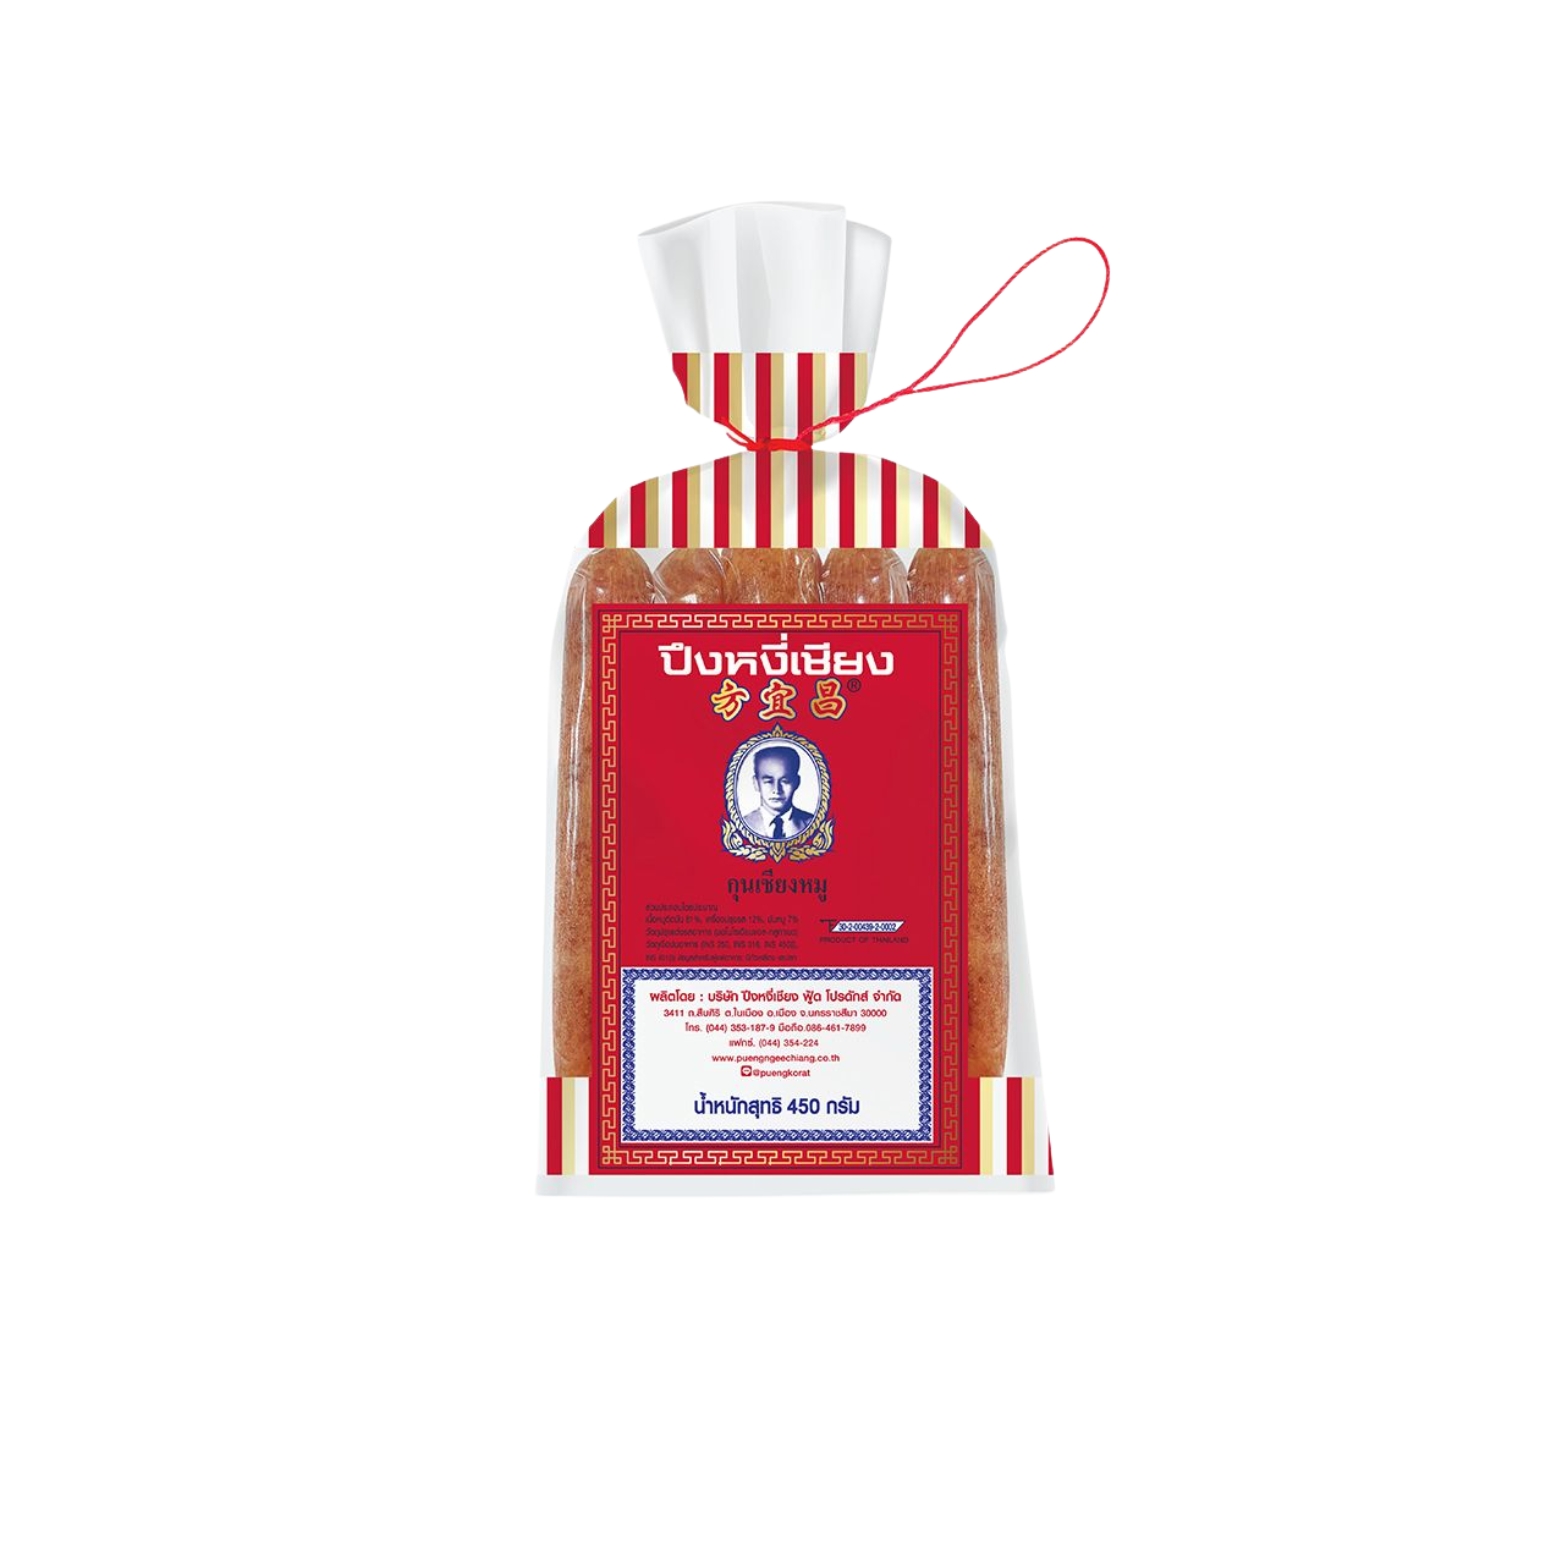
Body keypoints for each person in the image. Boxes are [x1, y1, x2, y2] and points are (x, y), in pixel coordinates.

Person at [741, 746, 814, 839]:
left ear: (797, 782)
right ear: (756, 783)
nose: (776, 790)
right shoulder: (740, 825)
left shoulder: (814, 824)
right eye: (768, 781)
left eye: (785, 781)